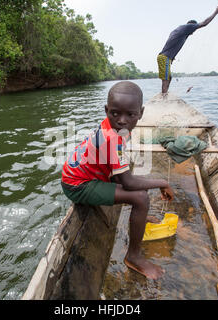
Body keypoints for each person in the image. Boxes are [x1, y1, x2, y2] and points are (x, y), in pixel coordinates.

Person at [61, 81, 174, 279]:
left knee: (141, 190)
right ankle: (133, 257)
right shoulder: (112, 137)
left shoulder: (116, 129)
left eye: (130, 115)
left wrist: (151, 183)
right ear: (107, 110)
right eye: (115, 113)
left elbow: (124, 177)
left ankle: (139, 219)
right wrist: (163, 183)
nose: (122, 120)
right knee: (140, 197)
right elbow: (129, 183)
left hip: (89, 175)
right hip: (78, 185)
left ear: (140, 112)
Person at [158, 4, 218, 94]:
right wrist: (216, 12)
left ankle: (165, 94)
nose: (193, 32)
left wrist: (172, 57)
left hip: (165, 57)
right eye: (194, 30)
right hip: (164, 57)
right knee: (166, 79)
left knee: (169, 78)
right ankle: (163, 99)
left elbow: (172, 44)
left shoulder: (180, 30)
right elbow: (204, 23)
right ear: (191, 26)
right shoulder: (188, 27)